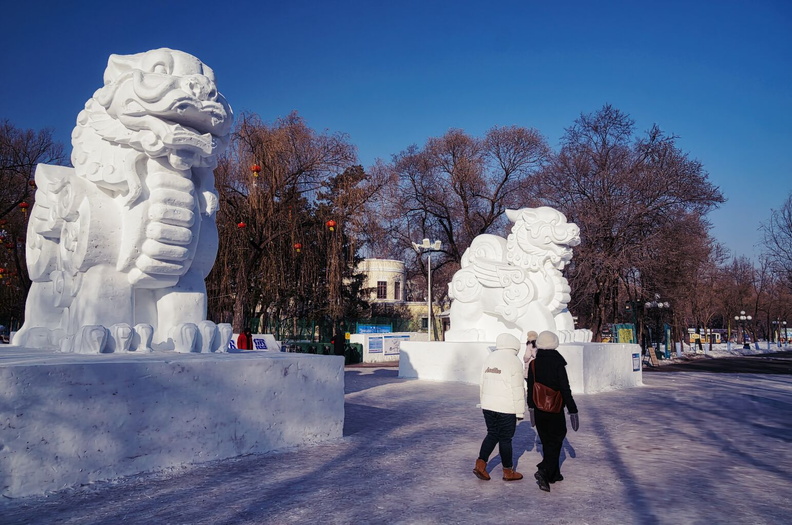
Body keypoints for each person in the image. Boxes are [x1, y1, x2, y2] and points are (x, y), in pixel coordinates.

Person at [526, 330, 579, 492]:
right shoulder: (558, 362)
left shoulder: (534, 363)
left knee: (547, 440)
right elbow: (565, 388)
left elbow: (530, 388)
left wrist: (531, 408)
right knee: (556, 439)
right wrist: (572, 409)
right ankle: (544, 470)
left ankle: (554, 474)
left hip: (539, 408)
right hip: (555, 408)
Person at [473, 333, 527, 482]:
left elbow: (482, 383)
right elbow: (518, 389)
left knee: (492, 434)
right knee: (505, 439)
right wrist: (519, 411)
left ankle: (480, 465)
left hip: (488, 405)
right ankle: (508, 471)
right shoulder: (514, 361)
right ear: (515, 346)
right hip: (506, 408)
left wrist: (484, 401)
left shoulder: (490, 357)